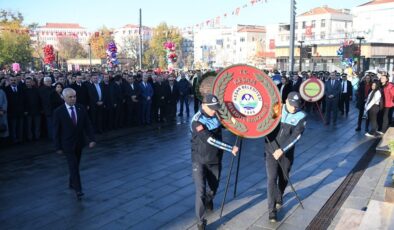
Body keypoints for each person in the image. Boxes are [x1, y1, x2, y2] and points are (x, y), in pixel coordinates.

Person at [190, 94, 238, 230]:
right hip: (199, 159)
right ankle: (200, 222)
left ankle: (209, 199)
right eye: (212, 108)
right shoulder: (197, 121)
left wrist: (235, 124)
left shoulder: (216, 115)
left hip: (215, 158)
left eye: (215, 108)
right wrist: (230, 148)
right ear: (204, 105)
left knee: (213, 187)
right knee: (200, 191)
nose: (214, 110)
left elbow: (224, 125)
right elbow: (210, 139)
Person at [265, 92, 306, 222]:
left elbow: (296, 137)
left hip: (286, 152)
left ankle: (280, 194)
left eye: (297, 105)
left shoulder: (301, 116)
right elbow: (263, 123)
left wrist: (282, 150)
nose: (294, 108)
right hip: (270, 150)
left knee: (284, 177)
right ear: (286, 101)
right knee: (271, 179)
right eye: (292, 105)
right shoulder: (276, 108)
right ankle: (272, 211)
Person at [53, 88, 95, 200]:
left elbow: (87, 124)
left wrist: (91, 139)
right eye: (70, 97)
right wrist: (57, 147)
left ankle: (72, 182)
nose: (73, 99)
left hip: (79, 143)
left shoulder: (81, 108)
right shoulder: (58, 111)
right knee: (73, 166)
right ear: (64, 98)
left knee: (76, 164)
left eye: (74, 96)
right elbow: (56, 131)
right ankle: (78, 189)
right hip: (67, 144)